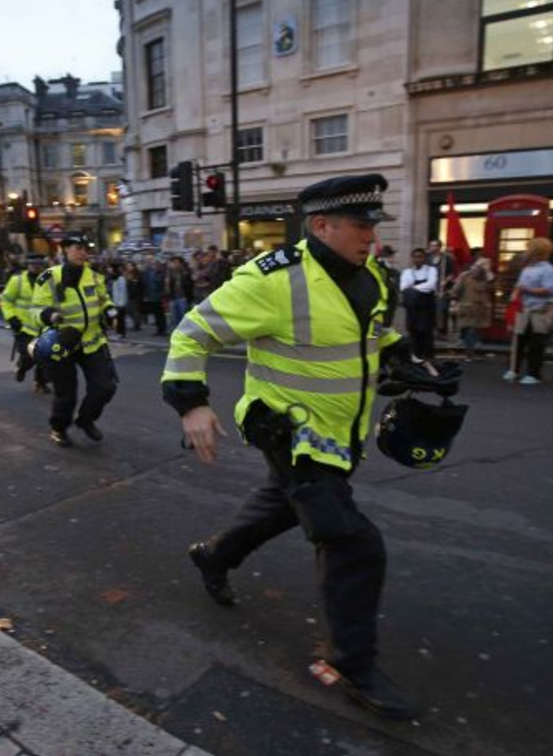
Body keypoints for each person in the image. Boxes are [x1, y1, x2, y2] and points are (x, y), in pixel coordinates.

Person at [163, 174, 432, 721]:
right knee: (351, 542)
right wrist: (191, 402)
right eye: (360, 226)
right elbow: (192, 332)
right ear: (320, 225)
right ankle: (354, 666)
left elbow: (376, 335)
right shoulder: (272, 280)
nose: (370, 237)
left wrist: (406, 364)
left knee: (280, 507)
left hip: (341, 435)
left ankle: (213, 556)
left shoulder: (371, 276)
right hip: (292, 436)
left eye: (373, 226)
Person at [32, 233, 119, 447]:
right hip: (63, 343)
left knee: (105, 387)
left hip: (92, 341)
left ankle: (85, 420)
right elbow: (34, 310)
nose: (82, 252)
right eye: (76, 248)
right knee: (66, 394)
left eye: (84, 248)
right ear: (64, 250)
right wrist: (49, 316)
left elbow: (103, 299)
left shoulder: (94, 275)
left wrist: (110, 312)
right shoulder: (49, 277)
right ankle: (59, 428)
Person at [504, 238, 553, 385]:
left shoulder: (548, 269)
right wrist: (515, 294)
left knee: (536, 343)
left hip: (541, 310)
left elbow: (550, 290)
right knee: (519, 340)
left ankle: (533, 374)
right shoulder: (527, 267)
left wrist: (526, 290)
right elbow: (519, 285)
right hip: (524, 309)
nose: (526, 251)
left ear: (537, 252)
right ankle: (513, 369)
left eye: (529, 249)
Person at [0, 253, 50, 392]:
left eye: (39, 264)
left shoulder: (48, 280)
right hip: (23, 328)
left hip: (44, 326)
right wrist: (11, 318)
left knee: (44, 356)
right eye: (33, 264)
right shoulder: (18, 280)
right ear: (28, 265)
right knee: (30, 355)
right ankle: (22, 367)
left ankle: (40, 383)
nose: (36, 267)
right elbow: (5, 300)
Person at [451, 256, 493, 361]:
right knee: (468, 330)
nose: (479, 269)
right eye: (478, 266)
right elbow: (456, 290)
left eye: (484, 266)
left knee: (474, 331)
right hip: (467, 308)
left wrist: (488, 273)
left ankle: (470, 352)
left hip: (481, 309)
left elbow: (493, 288)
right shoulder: (465, 276)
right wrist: (454, 301)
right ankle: (469, 352)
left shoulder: (487, 277)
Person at [400, 248, 438, 359]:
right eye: (415, 257)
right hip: (413, 309)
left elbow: (431, 285)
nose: (417, 259)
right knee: (413, 332)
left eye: (420, 256)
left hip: (427, 309)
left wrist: (413, 288)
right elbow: (403, 287)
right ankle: (415, 356)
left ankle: (428, 358)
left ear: (424, 258)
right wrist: (421, 288)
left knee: (426, 333)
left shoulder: (431, 270)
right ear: (412, 258)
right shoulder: (407, 272)